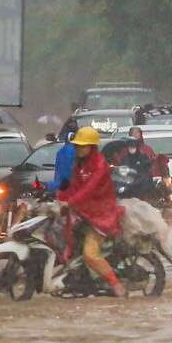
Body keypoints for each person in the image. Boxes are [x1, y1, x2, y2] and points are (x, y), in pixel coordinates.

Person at [58, 125, 126, 297]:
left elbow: (89, 189)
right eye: (77, 146)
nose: (79, 149)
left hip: (101, 214)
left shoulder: (99, 165)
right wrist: (60, 197)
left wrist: (70, 202)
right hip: (84, 212)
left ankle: (115, 283)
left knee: (90, 254)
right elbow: (73, 186)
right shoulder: (79, 165)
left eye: (83, 145)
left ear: (92, 147)